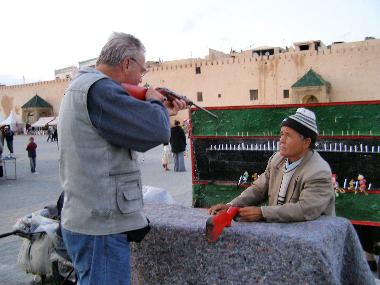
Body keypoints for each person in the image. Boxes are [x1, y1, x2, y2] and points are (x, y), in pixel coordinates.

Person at [58, 32, 186, 285]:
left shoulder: (83, 85)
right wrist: (155, 102)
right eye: (142, 70)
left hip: (87, 219)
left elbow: (138, 128)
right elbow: (157, 131)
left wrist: (161, 112)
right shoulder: (102, 89)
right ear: (127, 63)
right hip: (101, 226)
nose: (141, 78)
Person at [208, 108, 335, 232]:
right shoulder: (277, 159)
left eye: (288, 136)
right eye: (281, 134)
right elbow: (259, 189)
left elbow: (305, 209)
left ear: (306, 142)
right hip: (280, 230)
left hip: (312, 235)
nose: (282, 140)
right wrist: (232, 206)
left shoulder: (318, 171)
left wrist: (262, 213)